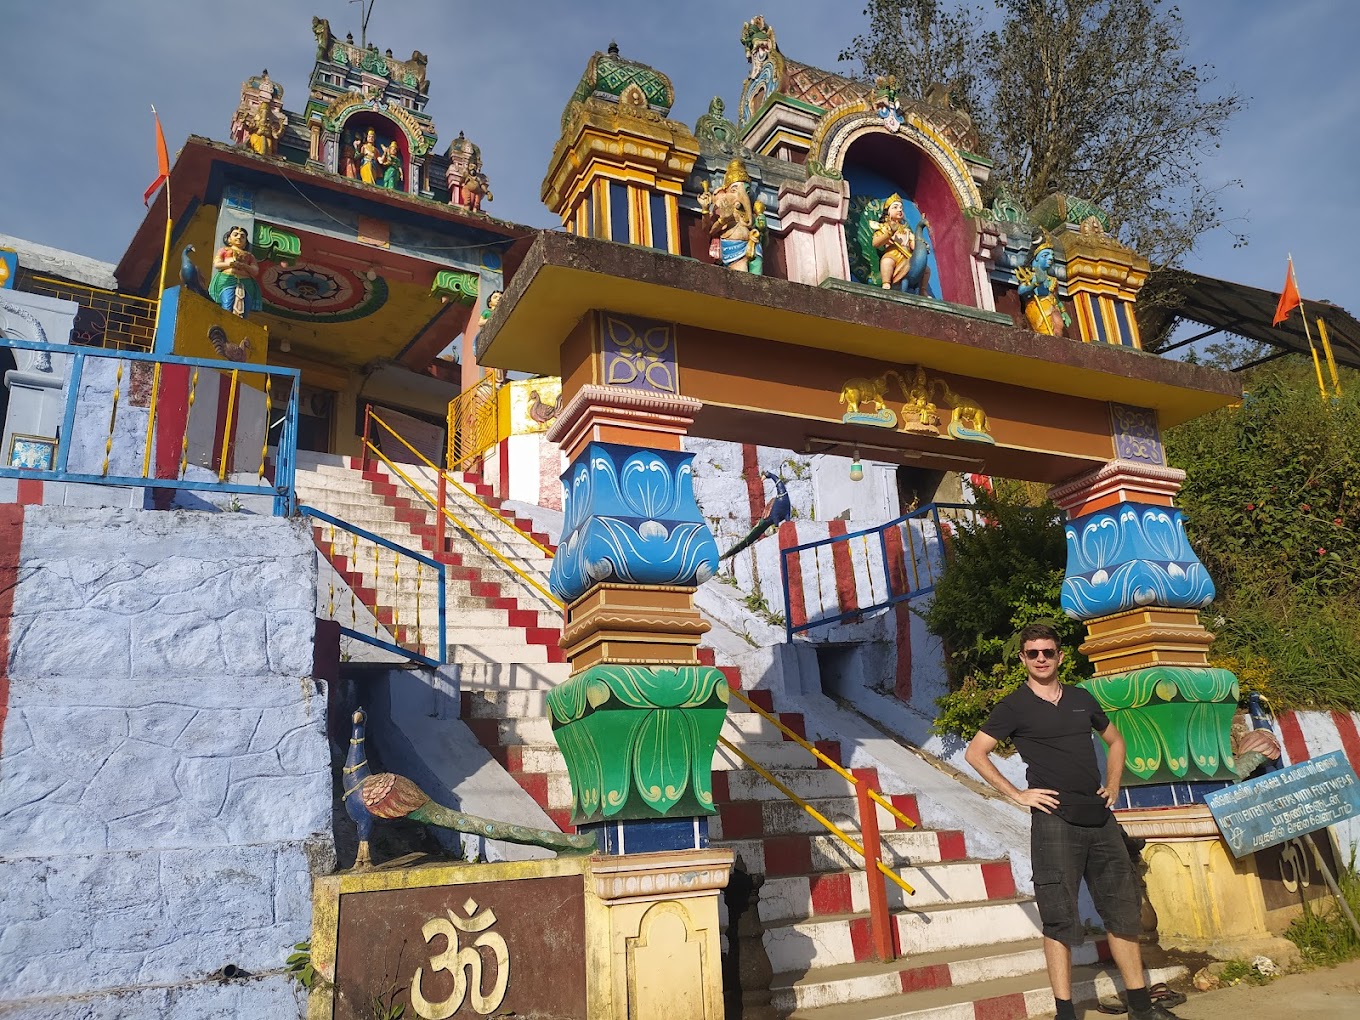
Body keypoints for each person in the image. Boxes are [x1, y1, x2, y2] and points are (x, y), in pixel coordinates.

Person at [964, 623, 1182, 1020]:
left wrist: (1113, 782)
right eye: (1033, 653)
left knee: (1122, 913)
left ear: (1060, 656)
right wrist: (1017, 795)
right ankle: (1066, 1013)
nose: (1042, 659)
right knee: (1059, 917)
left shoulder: (1082, 699)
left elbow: (1116, 741)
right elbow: (976, 753)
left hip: (1099, 818)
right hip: (1054, 822)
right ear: (1023, 659)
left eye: (1048, 652)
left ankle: (1140, 1009)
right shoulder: (1013, 706)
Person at [208, 226, 262, 319]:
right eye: (235, 235)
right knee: (227, 303)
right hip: (227, 279)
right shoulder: (224, 250)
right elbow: (217, 264)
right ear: (229, 239)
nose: (239, 237)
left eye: (242, 236)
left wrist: (244, 266)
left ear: (245, 243)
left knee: (245, 307)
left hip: (246, 282)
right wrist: (231, 264)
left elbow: (255, 270)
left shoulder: (249, 255)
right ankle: (225, 321)